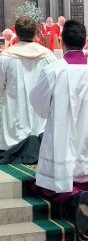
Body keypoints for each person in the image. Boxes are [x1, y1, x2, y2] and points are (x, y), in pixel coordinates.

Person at [29, 20, 88, 236]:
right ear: (85, 42)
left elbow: (39, 106)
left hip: (63, 137)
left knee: (48, 184)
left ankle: (76, 197)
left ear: (61, 41)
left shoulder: (54, 70)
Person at [0, 16, 56, 164]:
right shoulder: (48, 56)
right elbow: (55, 84)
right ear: (36, 33)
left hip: (14, 105)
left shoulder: (6, 56)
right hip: (41, 108)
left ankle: (13, 148)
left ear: (16, 34)